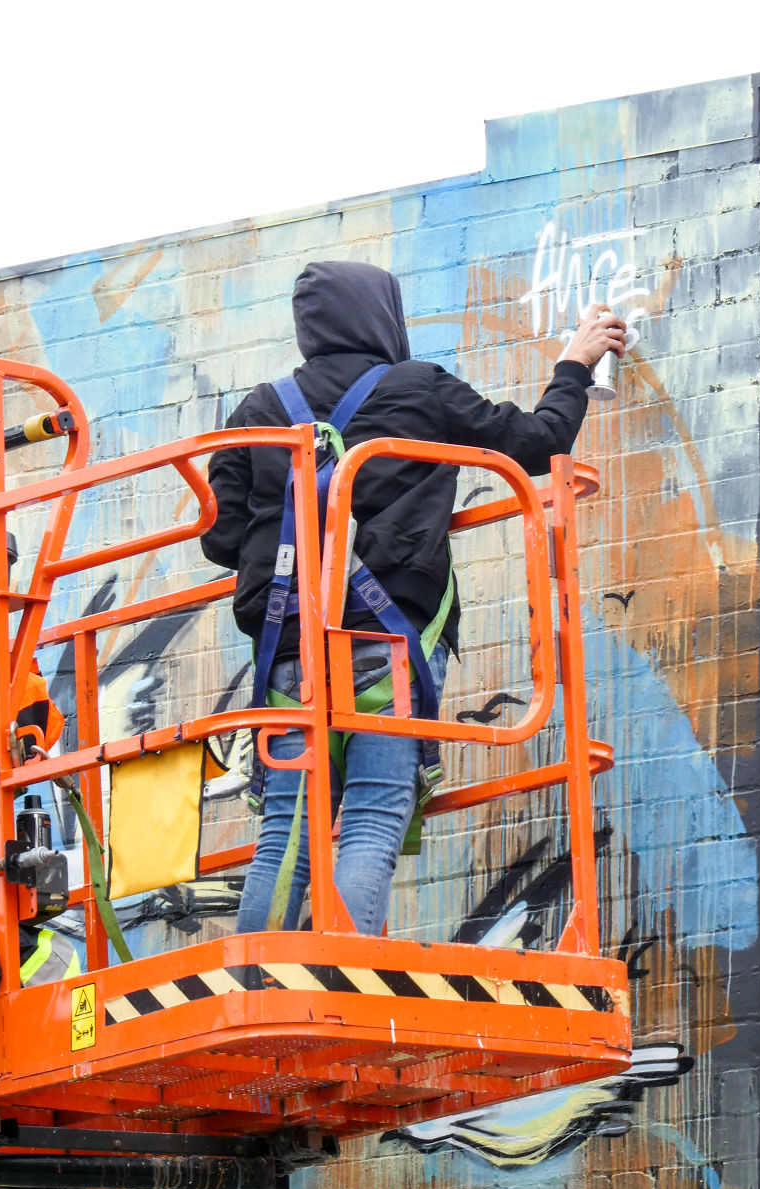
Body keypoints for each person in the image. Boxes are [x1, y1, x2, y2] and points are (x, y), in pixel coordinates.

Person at [201, 260, 625, 937]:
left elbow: (221, 539)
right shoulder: (417, 389)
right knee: (372, 812)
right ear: (381, 317)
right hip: (386, 639)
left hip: (290, 646)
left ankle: (259, 974)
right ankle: (347, 969)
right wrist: (573, 364)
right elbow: (539, 443)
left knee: (289, 825)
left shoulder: (258, 411)